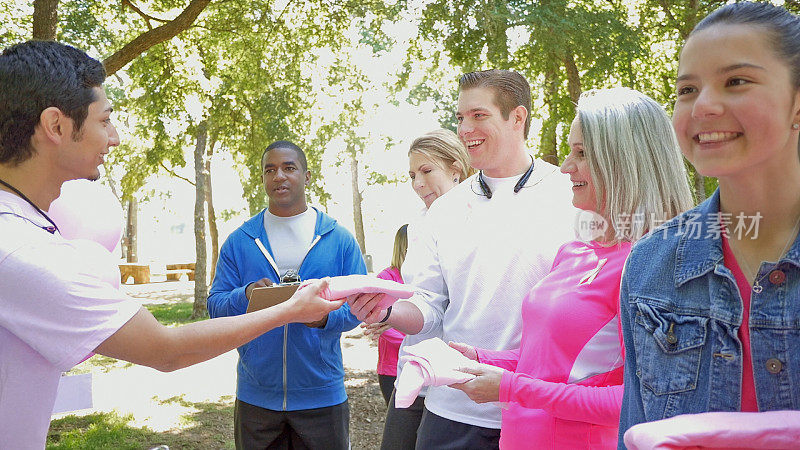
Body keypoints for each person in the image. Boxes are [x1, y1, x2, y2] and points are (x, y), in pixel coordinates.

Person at [0, 40, 342, 450]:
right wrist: (290, 309)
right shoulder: (21, 253)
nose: (115, 138)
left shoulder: (27, 232)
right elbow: (166, 350)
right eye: (105, 121)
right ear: (56, 126)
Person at [446, 87, 693, 449]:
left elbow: (643, 400)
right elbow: (551, 360)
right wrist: (482, 359)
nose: (565, 166)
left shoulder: (653, 265)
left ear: (624, 160)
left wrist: (512, 387)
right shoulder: (574, 252)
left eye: (581, 153)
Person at [351, 69, 577, 449]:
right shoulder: (444, 210)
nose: (465, 129)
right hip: (453, 411)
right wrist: (386, 311)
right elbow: (428, 308)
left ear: (517, 117)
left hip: (539, 409)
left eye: (478, 116)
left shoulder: (569, 195)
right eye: (460, 118)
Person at [618, 2, 800, 446]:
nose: (703, 106)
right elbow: (636, 431)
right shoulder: (649, 265)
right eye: (687, 90)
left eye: (736, 81)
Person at [207, 140, 366, 450]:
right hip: (256, 398)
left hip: (322, 396)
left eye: (289, 168)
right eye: (270, 169)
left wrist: (322, 319)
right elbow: (216, 306)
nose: (279, 176)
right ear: (264, 178)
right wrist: (247, 294)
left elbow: (359, 307)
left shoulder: (339, 239)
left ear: (307, 177)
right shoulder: (240, 241)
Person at [367, 128, 474, 450]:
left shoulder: (480, 217)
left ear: (456, 168)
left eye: (427, 171)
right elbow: (421, 295)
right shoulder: (416, 225)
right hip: (413, 368)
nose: (417, 183)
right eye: (412, 175)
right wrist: (387, 312)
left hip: (458, 377)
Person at [369, 224, 409, 405]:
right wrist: (416, 341)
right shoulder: (386, 279)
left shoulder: (426, 277)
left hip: (425, 367)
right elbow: (378, 322)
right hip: (392, 368)